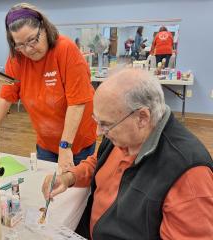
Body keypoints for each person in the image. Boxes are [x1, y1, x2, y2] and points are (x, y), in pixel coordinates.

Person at [42, 68, 213, 239]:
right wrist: (69, 177)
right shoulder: (123, 133)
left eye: (105, 124)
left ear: (142, 118)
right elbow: (98, 162)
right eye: (96, 121)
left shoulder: (189, 175)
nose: (98, 132)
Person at [0, 3, 97, 170]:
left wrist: (65, 146)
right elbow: (5, 97)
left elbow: (77, 102)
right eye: (20, 44)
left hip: (77, 142)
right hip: (46, 142)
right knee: (49, 188)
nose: (28, 50)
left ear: (44, 28)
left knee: (77, 189)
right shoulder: (17, 58)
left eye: (32, 40)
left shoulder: (65, 49)